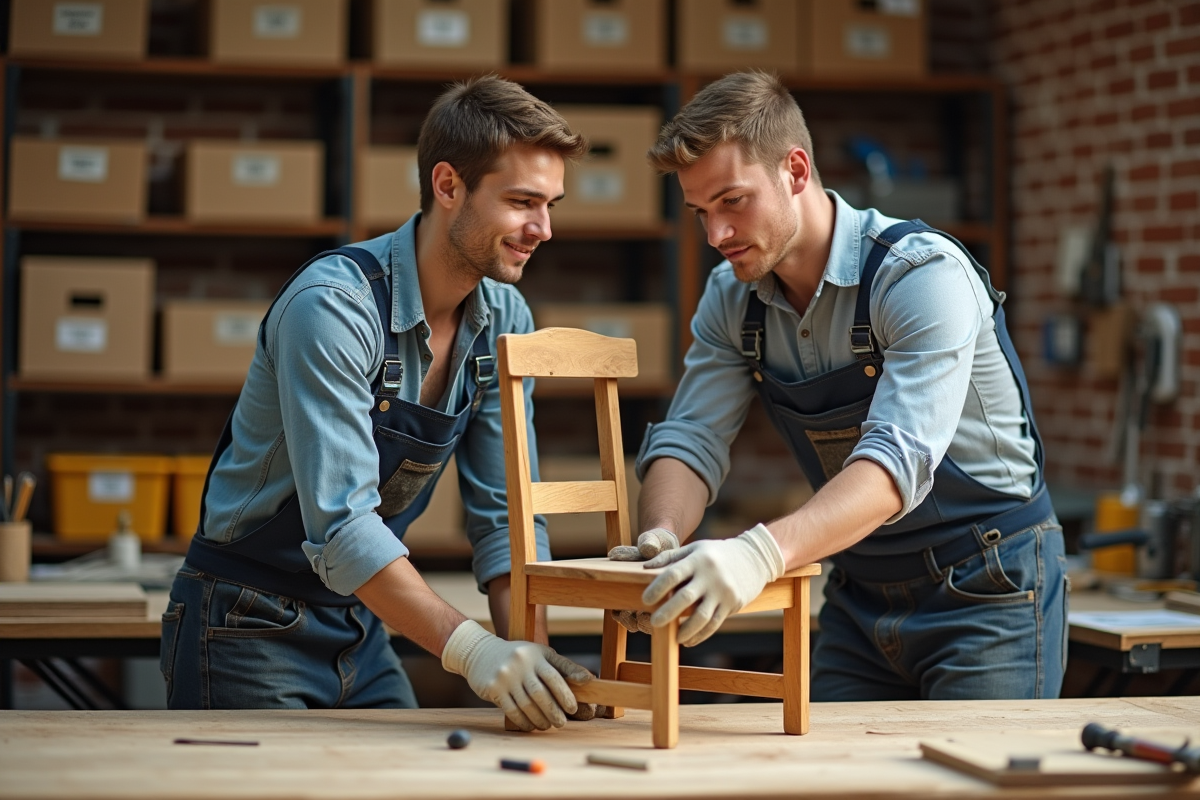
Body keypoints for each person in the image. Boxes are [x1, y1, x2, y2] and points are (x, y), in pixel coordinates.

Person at [161, 75, 596, 730]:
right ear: (448, 186)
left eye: (551, 204)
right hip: (245, 621)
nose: (544, 229)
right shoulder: (334, 308)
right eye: (522, 202)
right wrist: (476, 651)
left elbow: (507, 514)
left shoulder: (505, 317)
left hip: (362, 622)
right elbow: (342, 527)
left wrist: (528, 654)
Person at [618, 71, 1067, 701]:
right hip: (859, 593)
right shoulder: (732, 298)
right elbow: (692, 436)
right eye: (700, 213)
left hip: (988, 585)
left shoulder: (920, 275)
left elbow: (896, 462)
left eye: (732, 201)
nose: (716, 235)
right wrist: (662, 539)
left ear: (795, 171)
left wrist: (756, 555)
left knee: (970, 765)